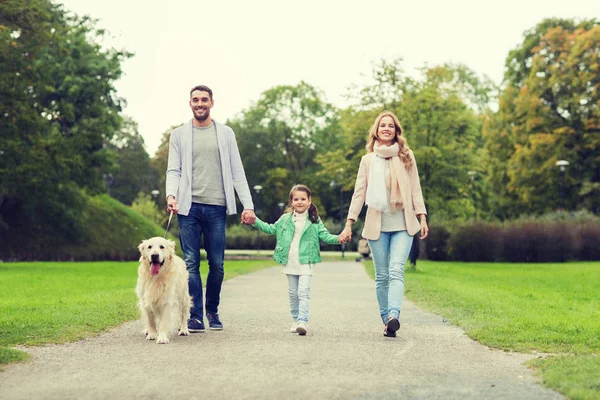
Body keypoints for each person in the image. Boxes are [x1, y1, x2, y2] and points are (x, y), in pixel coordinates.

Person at [166, 84, 256, 333]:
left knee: (217, 264)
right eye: (195, 100)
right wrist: (171, 195)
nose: (200, 104)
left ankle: (212, 309)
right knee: (192, 264)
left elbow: (237, 171)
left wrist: (247, 205)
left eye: (204, 100)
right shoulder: (179, 135)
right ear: (190, 103)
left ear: (212, 103)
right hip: (188, 207)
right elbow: (174, 169)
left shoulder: (225, 133)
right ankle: (195, 316)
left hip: (216, 206)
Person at [339, 111, 429, 338]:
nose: (386, 128)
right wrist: (349, 223)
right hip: (377, 226)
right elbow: (359, 194)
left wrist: (422, 215)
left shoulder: (407, 156)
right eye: (382, 125)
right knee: (382, 276)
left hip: (402, 224)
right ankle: (386, 320)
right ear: (376, 131)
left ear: (396, 131)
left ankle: (393, 316)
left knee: (397, 270)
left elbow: (416, 188)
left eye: (391, 125)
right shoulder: (367, 161)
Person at [245, 184, 346, 336]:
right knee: (293, 293)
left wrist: (339, 238)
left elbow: (325, 236)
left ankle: (302, 321)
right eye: (296, 199)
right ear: (291, 202)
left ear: (309, 201)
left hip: (307, 261)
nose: (300, 202)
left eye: (303, 199)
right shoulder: (285, 220)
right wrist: (255, 221)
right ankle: (295, 319)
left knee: (303, 292)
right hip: (290, 261)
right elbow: (270, 228)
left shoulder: (314, 220)